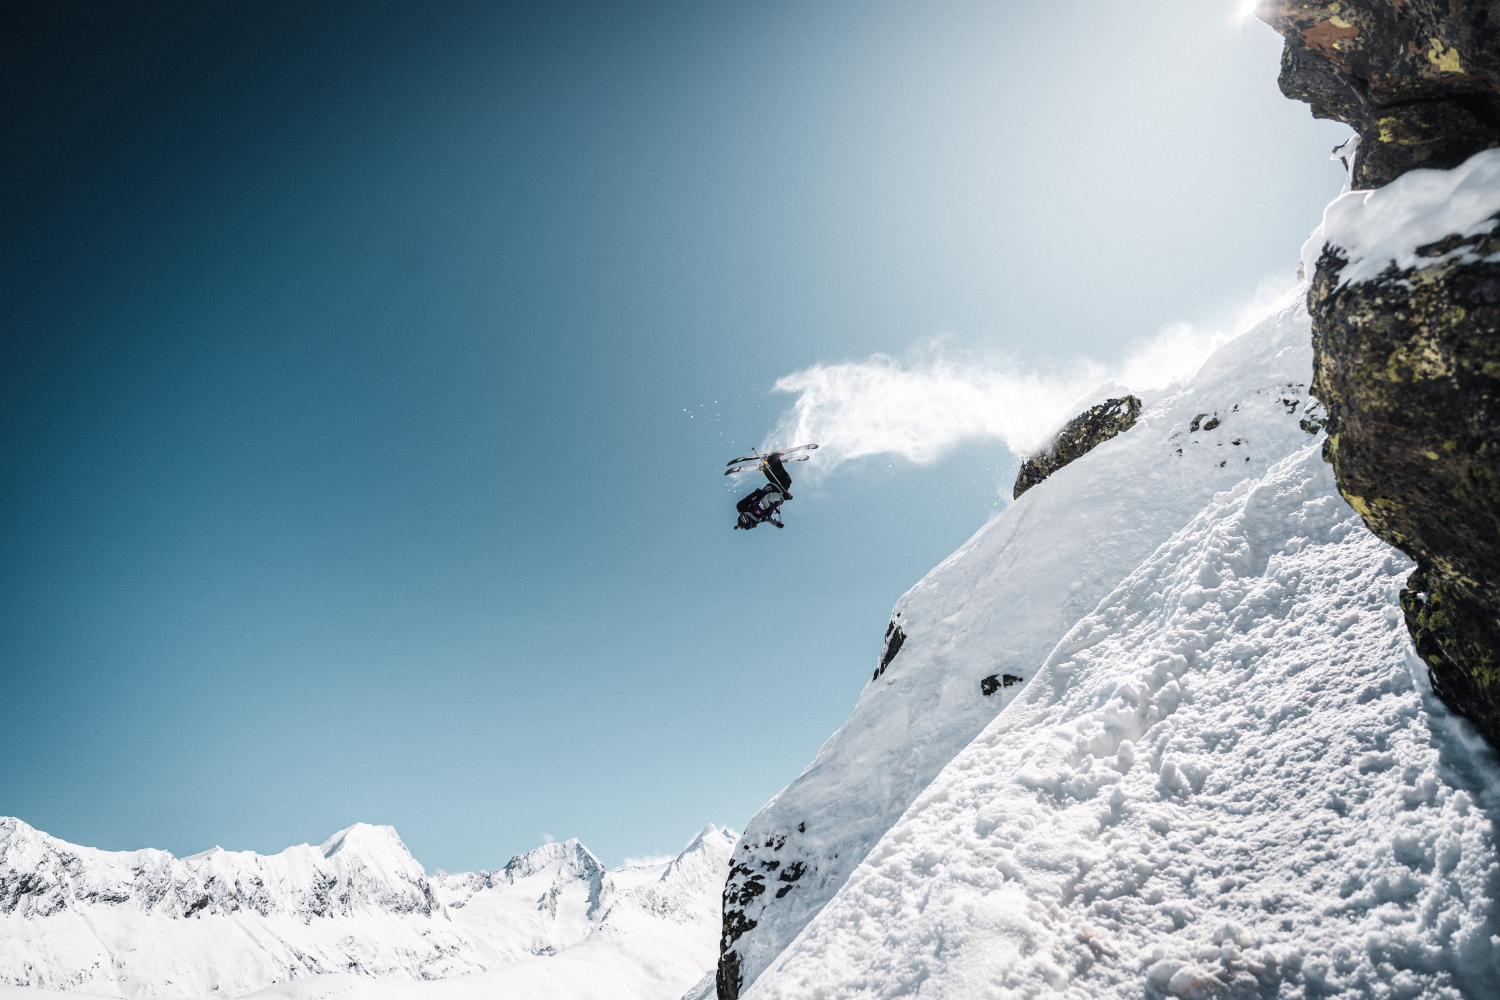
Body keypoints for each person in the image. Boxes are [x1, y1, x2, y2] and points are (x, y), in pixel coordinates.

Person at [734, 452, 793, 530]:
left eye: (749, 526)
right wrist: (776, 523)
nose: (751, 527)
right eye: (749, 528)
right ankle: (765, 468)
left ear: (747, 520)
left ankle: (773, 458)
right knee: (778, 478)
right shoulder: (757, 516)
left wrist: (782, 497)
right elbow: (767, 518)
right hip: (770, 490)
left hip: (774, 491)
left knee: (786, 480)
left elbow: (768, 498)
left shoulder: (758, 511)